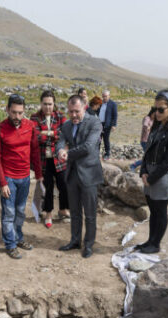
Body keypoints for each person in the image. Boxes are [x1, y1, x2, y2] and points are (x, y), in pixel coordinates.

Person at [0, 94, 42, 259]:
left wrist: (39, 175)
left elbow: (34, 151)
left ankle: (18, 238)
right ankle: (10, 244)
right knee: (9, 213)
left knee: (20, 212)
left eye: (20, 112)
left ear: (24, 111)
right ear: (7, 110)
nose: (17, 116)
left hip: (25, 177)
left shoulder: (30, 127)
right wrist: (3, 183)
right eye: (13, 112)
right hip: (9, 179)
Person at [137, 89, 168, 254]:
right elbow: (148, 150)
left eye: (160, 110)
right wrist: (143, 171)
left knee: (160, 210)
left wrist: (151, 178)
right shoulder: (157, 125)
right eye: (154, 109)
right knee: (152, 209)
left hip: (162, 175)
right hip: (149, 173)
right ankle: (150, 240)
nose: (156, 113)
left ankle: (156, 244)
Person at [56, 94, 103, 259]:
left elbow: (89, 146)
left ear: (84, 107)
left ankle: (89, 244)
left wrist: (67, 154)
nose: (73, 115)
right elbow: (60, 141)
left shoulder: (95, 122)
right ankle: (75, 241)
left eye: (76, 111)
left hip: (89, 174)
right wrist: (60, 150)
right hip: (72, 174)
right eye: (70, 112)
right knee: (75, 211)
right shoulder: (67, 125)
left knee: (90, 214)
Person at [30, 91, 69, 228]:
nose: (47, 107)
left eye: (50, 104)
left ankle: (63, 209)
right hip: (43, 160)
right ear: (41, 104)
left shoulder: (60, 116)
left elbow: (65, 134)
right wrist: (54, 134)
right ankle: (48, 213)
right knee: (48, 188)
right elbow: (35, 136)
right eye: (45, 104)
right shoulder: (34, 117)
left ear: (54, 104)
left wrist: (46, 132)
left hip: (58, 159)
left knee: (63, 184)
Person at [97, 89, 118, 159]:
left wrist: (114, 125)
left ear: (109, 96)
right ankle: (96, 154)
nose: (104, 98)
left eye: (106, 96)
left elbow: (115, 115)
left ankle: (107, 154)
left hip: (107, 125)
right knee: (98, 139)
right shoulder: (100, 103)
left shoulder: (113, 104)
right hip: (99, 124)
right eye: (103, 96)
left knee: (106, 140)